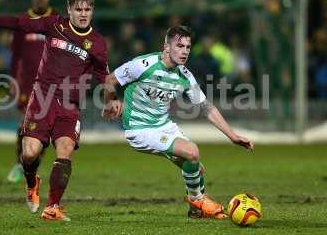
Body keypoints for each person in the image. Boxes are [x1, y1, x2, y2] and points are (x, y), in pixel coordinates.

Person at [0, 0, 108, 221]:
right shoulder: (53, 25)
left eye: (87, 9)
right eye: (78, 9)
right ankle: (31, 182)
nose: (83, 13)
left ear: (92, 11)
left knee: (64, 150)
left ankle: (53, 207)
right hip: (42, 100)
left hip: (70, 105)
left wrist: (113, 98)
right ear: (69, 10)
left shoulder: (97, 42)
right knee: (29, 154)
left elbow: (102, 74)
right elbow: (18, 23)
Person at [102, 25, 253, 219]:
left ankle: (196, 211)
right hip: (139, 129)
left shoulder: (185, 75)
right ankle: (198, 200)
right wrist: (110, 102)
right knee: (192, 151)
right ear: (166, 47)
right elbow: (110, 79)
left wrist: (232, 136)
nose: (184, 52)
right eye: (179, 46)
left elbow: (206, 107)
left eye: (188, 47)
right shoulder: (144, 65)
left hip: (163, 125)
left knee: (196, 168)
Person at [7, 0, 57, 184]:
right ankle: (21, 165)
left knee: (44, 129)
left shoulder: (57, 20)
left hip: (52, 83)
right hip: (28, 83)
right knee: (25, 126)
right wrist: (12, 79)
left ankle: (29, 165)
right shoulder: (23, 21)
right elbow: (15, 55)